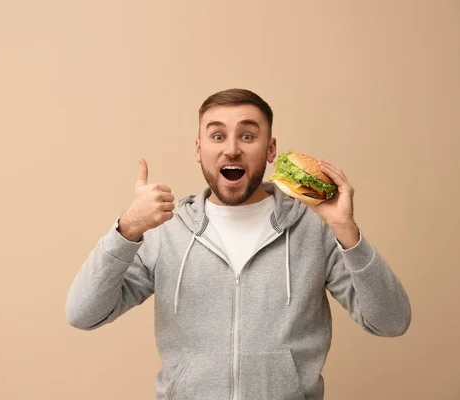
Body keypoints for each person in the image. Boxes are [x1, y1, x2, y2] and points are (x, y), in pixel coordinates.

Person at [65, 88, 411, 400]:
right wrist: (126, 229)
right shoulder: (165, 231)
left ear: (271, 149)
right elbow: (83, 314)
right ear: (199, 150)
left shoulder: (314, 228)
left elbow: (391, 321)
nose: (232, 148)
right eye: (217, 135)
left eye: (248, 135)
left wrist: (347, 231)